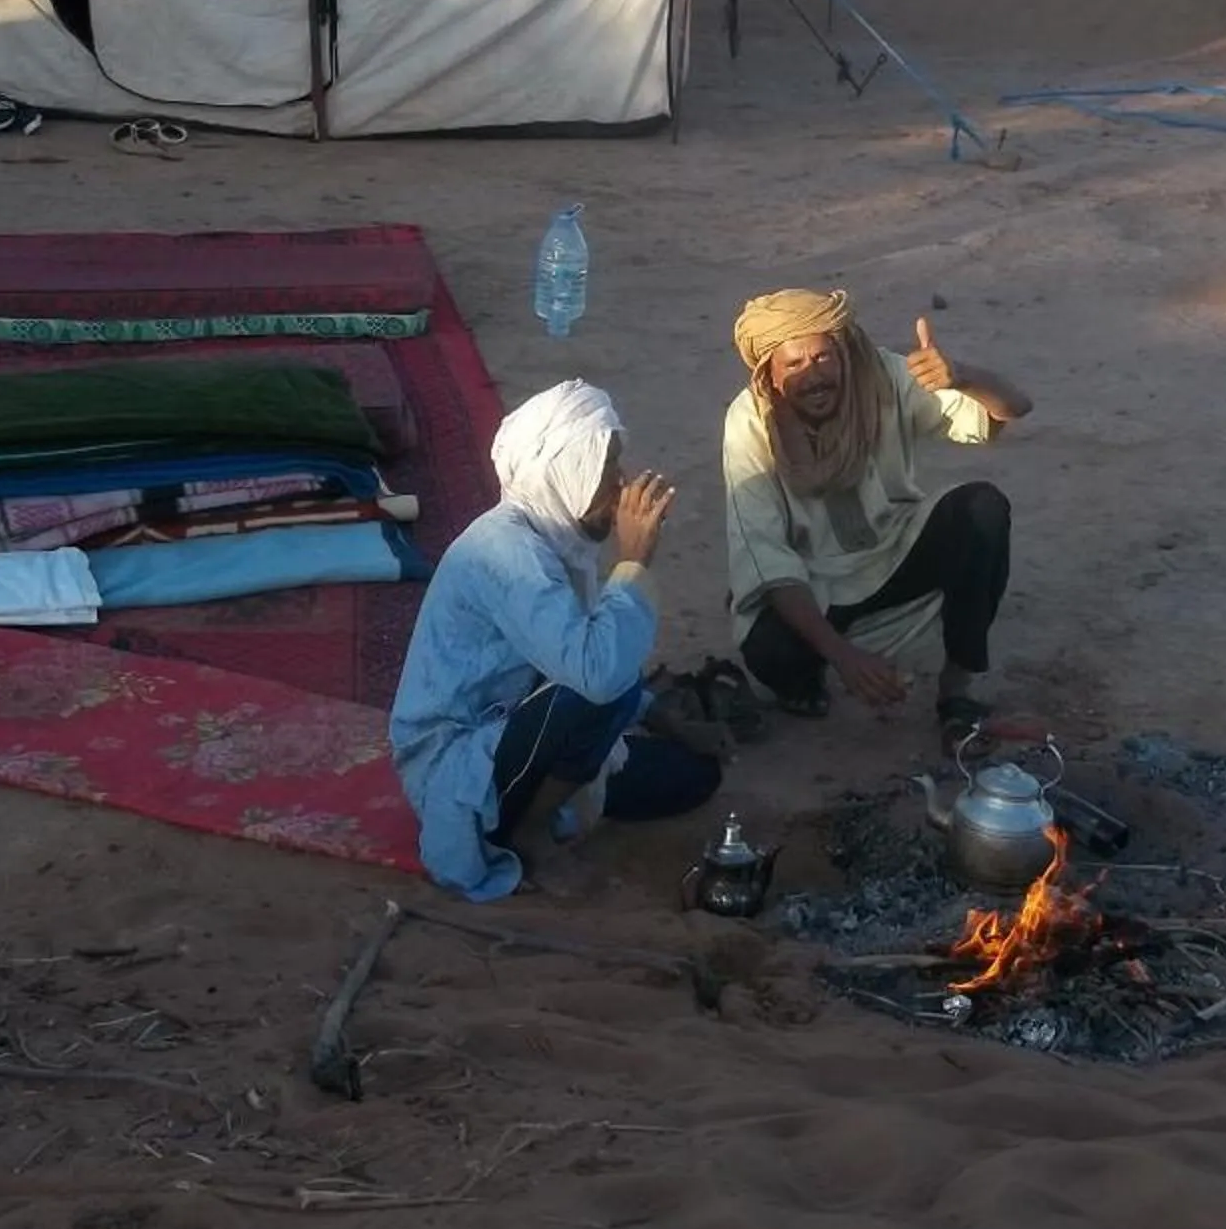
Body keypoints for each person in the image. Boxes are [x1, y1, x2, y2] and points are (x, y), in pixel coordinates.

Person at [388, 380, 720, 899]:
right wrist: (634, 561)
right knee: (601, 685)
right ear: (567, 473)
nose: (621, 484)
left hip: (522, 728)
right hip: (460, 758)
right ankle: (528, 837)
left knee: (693, 776)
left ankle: (554, 802)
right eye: (607, 468)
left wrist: (671, 723)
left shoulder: (559, 544)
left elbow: (582, 660)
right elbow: (595, 674)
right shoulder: (504, 551)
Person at [723, 290, 1033, 731]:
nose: (815, 377)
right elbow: (767, 560)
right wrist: (844, 657)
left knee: (983, 509)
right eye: (794, 365)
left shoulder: (881, 376)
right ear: (768, 374)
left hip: (892, 549)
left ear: (843, 352)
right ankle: (806, 683)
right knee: (767, 644)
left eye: (823, 357)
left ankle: (956, 692)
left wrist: (963, 377)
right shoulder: (749, 422)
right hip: (814, 579)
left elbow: (1013, 409)